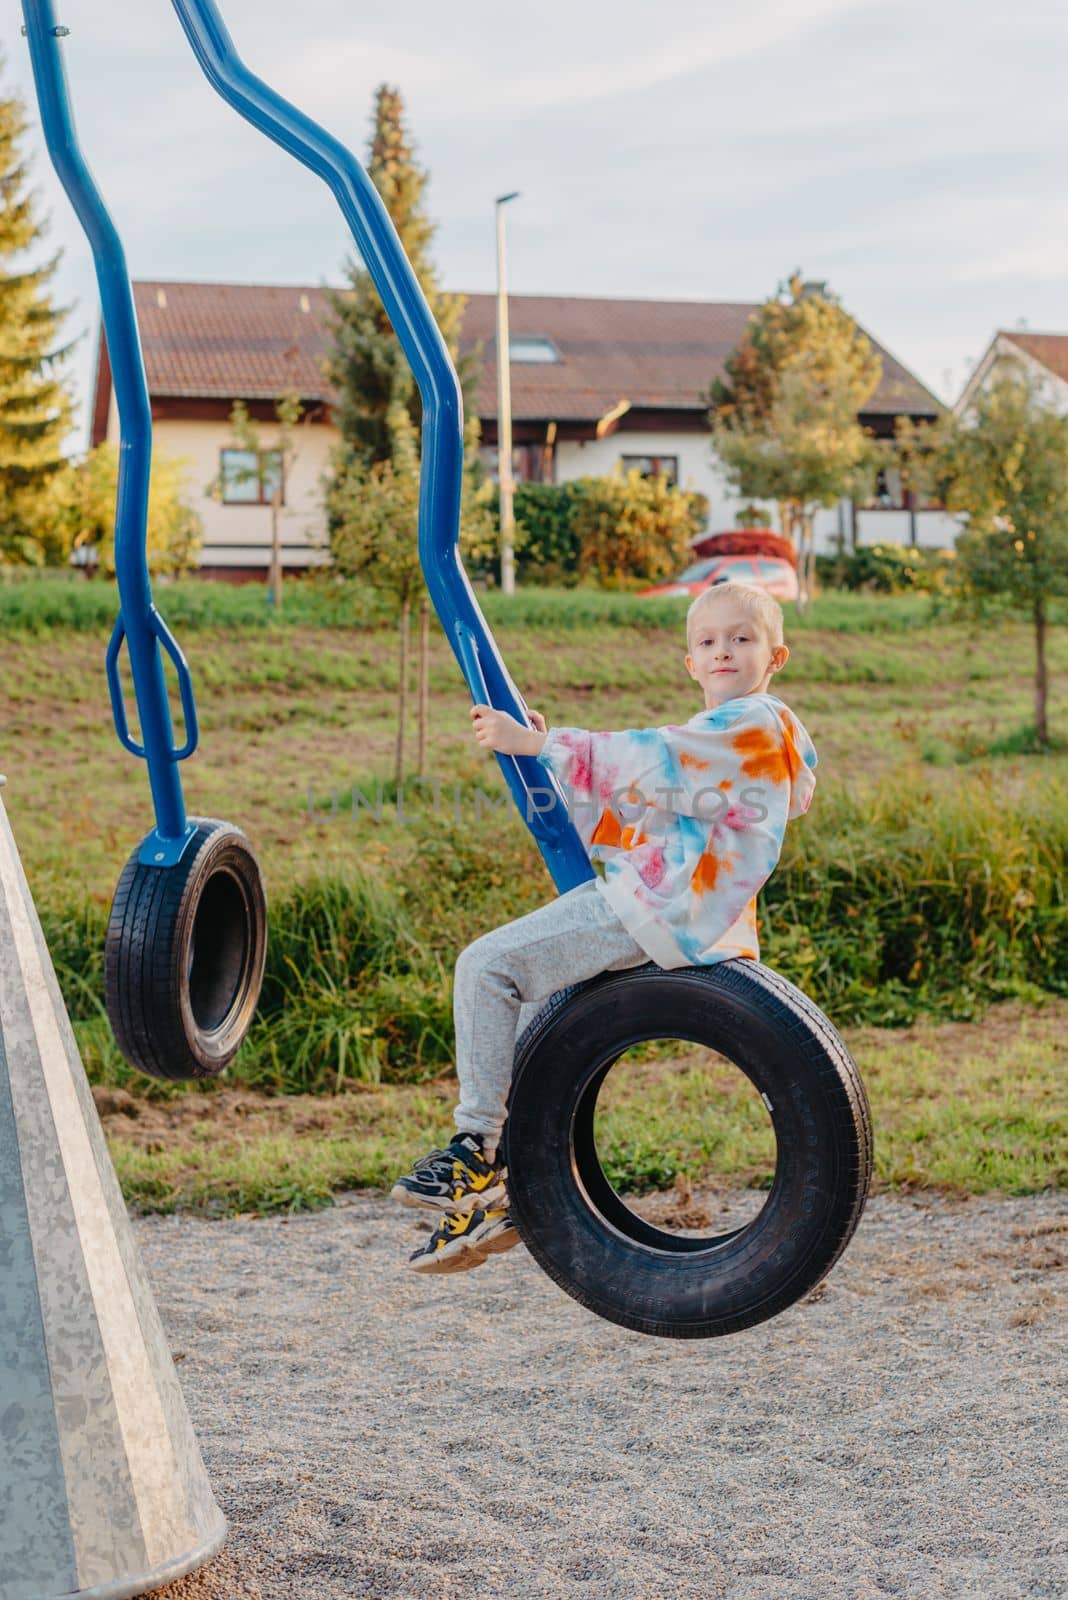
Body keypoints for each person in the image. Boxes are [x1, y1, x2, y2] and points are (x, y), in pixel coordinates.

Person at [391, 581, 818, 1273]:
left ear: (776, 656)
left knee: (485, 967)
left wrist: (541, 742)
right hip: (669, 905)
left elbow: (649, 759)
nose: (723, 652)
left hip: (655, 904)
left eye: (742, 639)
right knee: (529, 1008)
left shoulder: (757, 725)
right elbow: (645, 804)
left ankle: (472, 1151)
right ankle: (509, 1193)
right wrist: (546, 755)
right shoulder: (727, 743)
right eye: (708, 641)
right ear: (688, 661)